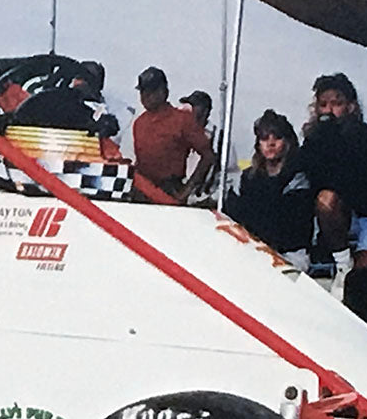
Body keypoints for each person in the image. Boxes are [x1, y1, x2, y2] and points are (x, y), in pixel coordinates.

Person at [300, 73, 367, 297]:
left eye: (336, 103)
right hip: (344, 210)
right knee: (325, 200)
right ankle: (342, 264)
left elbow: (357, 181)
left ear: (350, 107)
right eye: (323, 104)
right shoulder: (312, 140)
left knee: (362, 278)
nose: (329, 110)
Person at [224, 110, 314, 271]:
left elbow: (290, 226)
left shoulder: (298, 178)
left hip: (290, 255)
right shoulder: (247, 178)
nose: (270, 144)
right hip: (252, 251)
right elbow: (231, 215)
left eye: (277, 138)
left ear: (288, 142)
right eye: (264, 138)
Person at [131, 66, 215, 203]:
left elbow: (208, 156)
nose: (145, 96)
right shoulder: (139, 123)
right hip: (141, 191)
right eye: (142, 91)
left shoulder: (183, 119)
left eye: (151, 91)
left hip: (169, 190)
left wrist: (186, 190)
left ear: (164, 92)